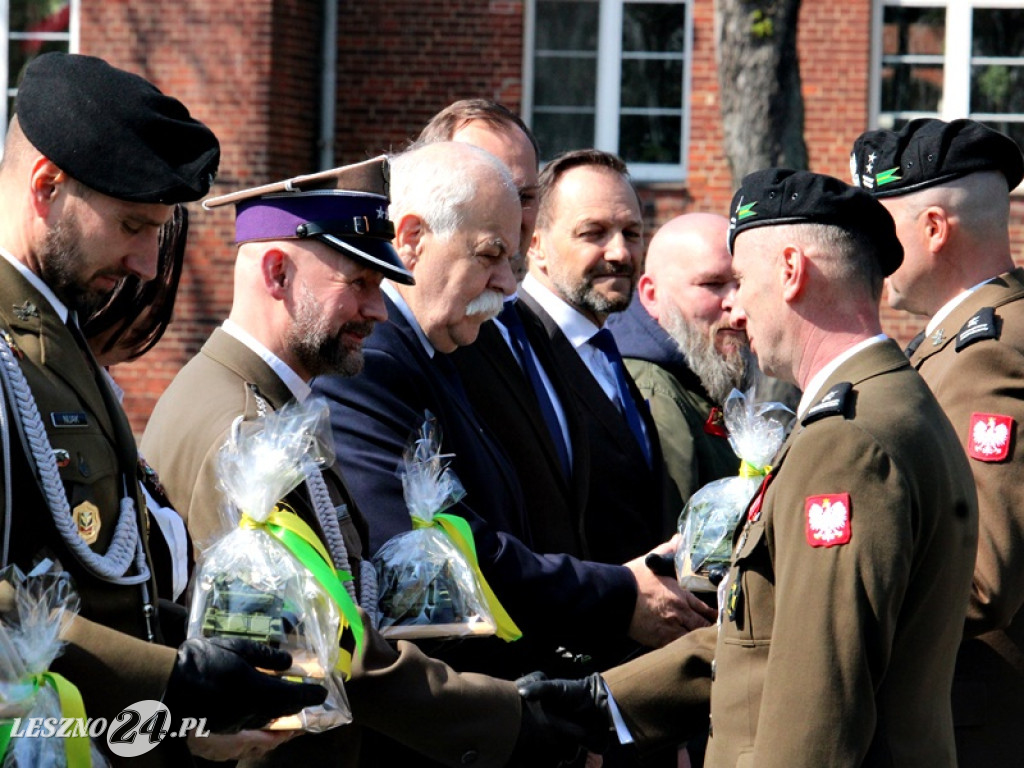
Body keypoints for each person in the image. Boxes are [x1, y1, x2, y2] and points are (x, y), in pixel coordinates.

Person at [140, 155, 608, 768]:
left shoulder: (270, 410)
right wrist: (511, 715)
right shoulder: (244, 431)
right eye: (357, 284)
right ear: (277, 273)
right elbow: (319, 649)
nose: (379, 311)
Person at [524, 168, 980, 767]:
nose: (733, 308)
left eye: (740, 280)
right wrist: (601, 702)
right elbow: (764, 635)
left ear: (791, 271)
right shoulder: (884, 402)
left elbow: (818, 699)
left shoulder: (847, 440)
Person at [0, 52, 328, 767]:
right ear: (46, 186)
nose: (148, 264)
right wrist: (175, 682)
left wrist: (201, 649)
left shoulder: (56, 333)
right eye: (132, 227)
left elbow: (107, 583)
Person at [311, 141, 707, 676]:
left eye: (510, 260)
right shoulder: (375, 364)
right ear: (410, 239)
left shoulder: (442, 352)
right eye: (490, 255)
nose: (507, 282)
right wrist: (618, 593)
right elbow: (444, 558)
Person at [850, 118, 1024, 767]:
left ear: (932, 228)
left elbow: (981, 578)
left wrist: (822, 588)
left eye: (880, 227)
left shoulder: (989, 354)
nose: (867, 252)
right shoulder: (967, 339)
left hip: (976, 724)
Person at [518, 149, 680, 565]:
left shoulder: (604, 349)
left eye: (632, 232)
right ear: (535, 245)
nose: (621, 253)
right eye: (594, 232)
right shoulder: (510, 349)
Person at [606, 212, 747, 508]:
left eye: (742, 283)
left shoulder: (698, 373)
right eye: (712, 284)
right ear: (651, 295)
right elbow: (678, 544)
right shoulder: (654, 393)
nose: (737, 304)